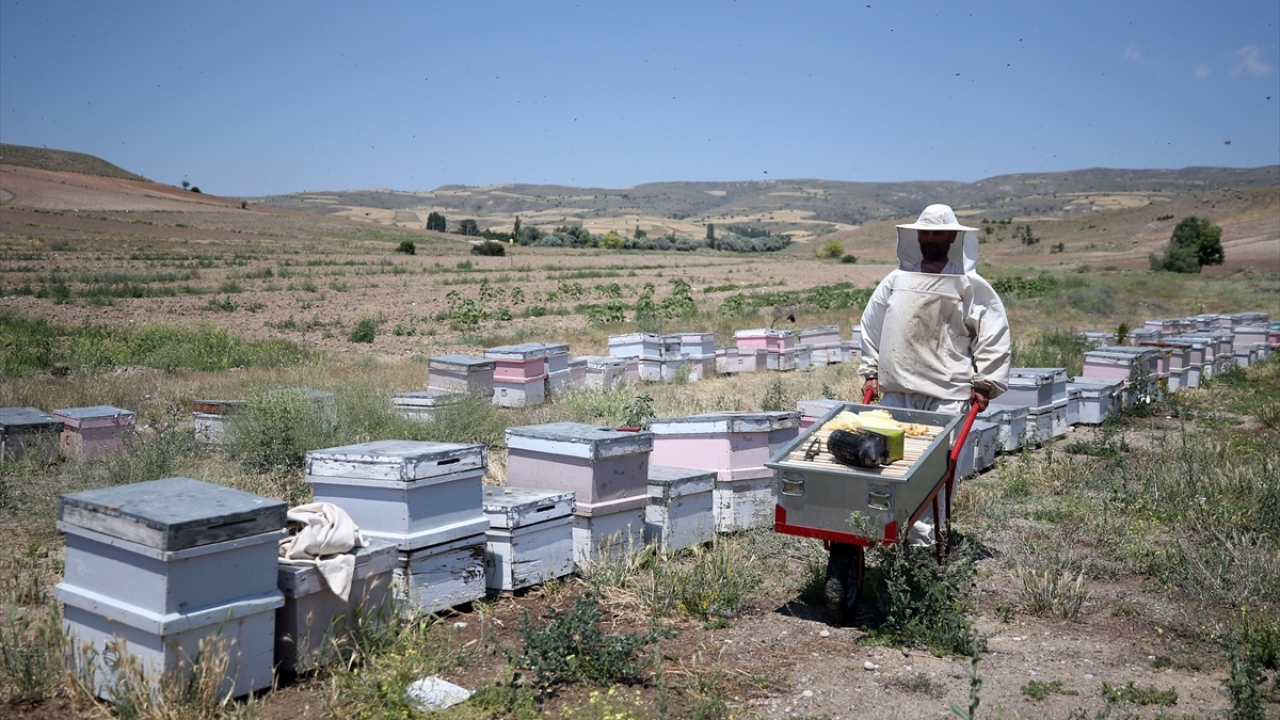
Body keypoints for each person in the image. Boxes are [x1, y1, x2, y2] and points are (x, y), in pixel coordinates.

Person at [859, 204, 1011, 415]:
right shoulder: (896, 280)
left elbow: (992, 334)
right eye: (925, 233)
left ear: (952, 236)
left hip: (947, 394)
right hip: (898, 389)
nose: (930, 239)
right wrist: (871, 373)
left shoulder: (967, 284)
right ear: (917, 236)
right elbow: (871, 326)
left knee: (943, 448)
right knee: (893, 448)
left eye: (938, 233)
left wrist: (986, 382)